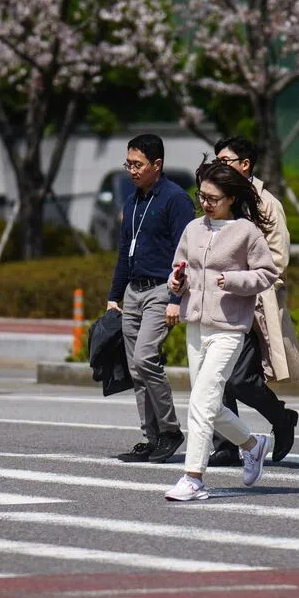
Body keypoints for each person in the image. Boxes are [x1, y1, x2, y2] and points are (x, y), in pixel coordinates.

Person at [164, 160, 278, 502]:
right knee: (208, 404)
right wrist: (176, 282)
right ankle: (253, 444)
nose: (205, 203)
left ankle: (193, 478)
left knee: (201, 401)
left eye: (213, 198)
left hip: (229, 328)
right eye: (202, 196)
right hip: (195, 325)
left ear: (230, 198)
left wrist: (233, 280)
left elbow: (267, 273)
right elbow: (178, 267)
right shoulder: (193, 229)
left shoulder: (246, 232)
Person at [208, 137, 299, 467]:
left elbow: (277, 259)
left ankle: (281, 418)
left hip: (253, 304)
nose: (218, 166)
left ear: (245, 164)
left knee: (239, 379)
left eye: (225, 160)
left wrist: (249, 286)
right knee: (215, 372)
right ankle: (226, 444)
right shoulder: (223, 202)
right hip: (221, 302)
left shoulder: (266, 204)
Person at [107, 134, 196, 464]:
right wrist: (114, 295)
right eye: (128, 164)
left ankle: (171, 431)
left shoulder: (176, 200)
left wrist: (176, 296)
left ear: (156, 165)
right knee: (136, 370)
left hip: (161, 289)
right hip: (133, 290)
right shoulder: (132, 201)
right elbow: (122, 252)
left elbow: (185, 254)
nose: (131, 170)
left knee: (146, 359)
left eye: (137, 164)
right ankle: (152, 436)